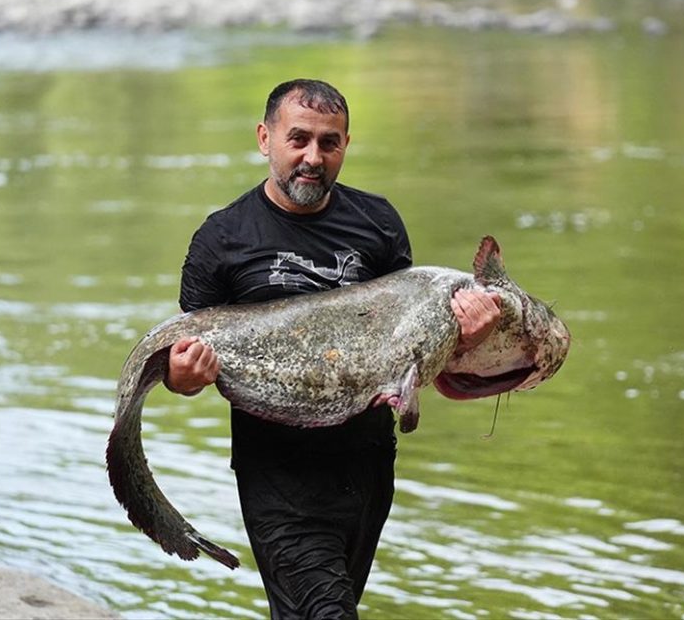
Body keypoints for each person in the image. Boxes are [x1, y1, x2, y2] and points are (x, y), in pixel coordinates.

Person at [163, 78, 501, 619]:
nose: (312, 157)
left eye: (329, 142)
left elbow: (412, 358)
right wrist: (186, 375)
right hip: (276, 475)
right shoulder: (221, 239)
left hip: (367, 468)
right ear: (264, 138)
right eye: (298, 139)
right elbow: (181, 372)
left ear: (345, 145)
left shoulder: (379, 224)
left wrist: (467, 338)